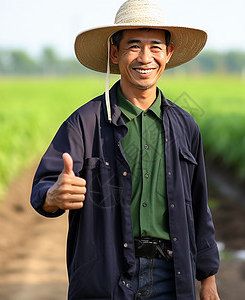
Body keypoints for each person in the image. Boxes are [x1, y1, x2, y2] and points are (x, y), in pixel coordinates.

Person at [30, 0, 220, 299]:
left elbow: (198, 205)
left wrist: (207, 278)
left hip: (170, 276)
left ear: (168, 54)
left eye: (155, 46)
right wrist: (54, 195)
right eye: (134, 46)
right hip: (106, 275)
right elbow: (44, 186)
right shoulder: (86, 122)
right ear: (115, 53)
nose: (145, 57)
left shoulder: (185, 125)